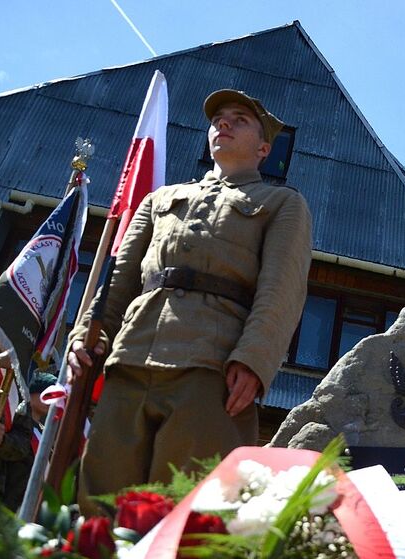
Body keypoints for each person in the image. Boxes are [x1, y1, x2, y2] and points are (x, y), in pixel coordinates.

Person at [69, 89, 313, 513]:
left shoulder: (281, 203)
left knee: (189, 509)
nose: (224, 123)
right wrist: (85, 335)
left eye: (239, 118)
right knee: (102, 504)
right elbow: (119, 282)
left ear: (263, 148)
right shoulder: (158, 200)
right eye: (219, 118)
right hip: (130, 361)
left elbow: (282, 289)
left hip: (210, 370)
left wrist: (254, 359)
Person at [0, 370, 54, 511]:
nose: (50, 400)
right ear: (33, 393)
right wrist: (3, 441)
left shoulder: (45, 431)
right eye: (46, 393)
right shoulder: (17, 416)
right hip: (10, 500)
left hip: (34, 503)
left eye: (54, 396)